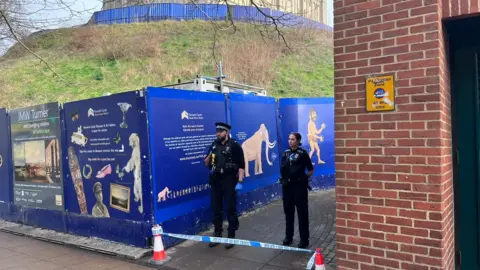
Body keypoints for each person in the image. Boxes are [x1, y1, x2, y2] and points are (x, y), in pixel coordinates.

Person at [204, 122, 245, 249]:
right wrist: (210, 154)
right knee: (216, 209)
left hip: (229, 181)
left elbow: (242, 165)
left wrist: (240, 182)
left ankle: (231, 236)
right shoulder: (214, 144)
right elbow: (206, 163)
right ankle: (217, 235)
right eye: (217, 131)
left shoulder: (235, 145)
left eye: (220, 131)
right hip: (216, 181)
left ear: (226, 132)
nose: (218, 133)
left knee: (230, 209)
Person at [279, 132, 314, 248]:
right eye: (289, 139)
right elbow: (283, 169)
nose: (290, 141)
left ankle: (304, 240)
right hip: (287, 187)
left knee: (302, 214)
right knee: (288, 213)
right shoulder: (285, 153)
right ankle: (288, 237)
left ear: (298, 141)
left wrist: (303, 179)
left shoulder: (303, 153)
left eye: (293, 139)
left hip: (299, 187)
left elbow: (310, 170)